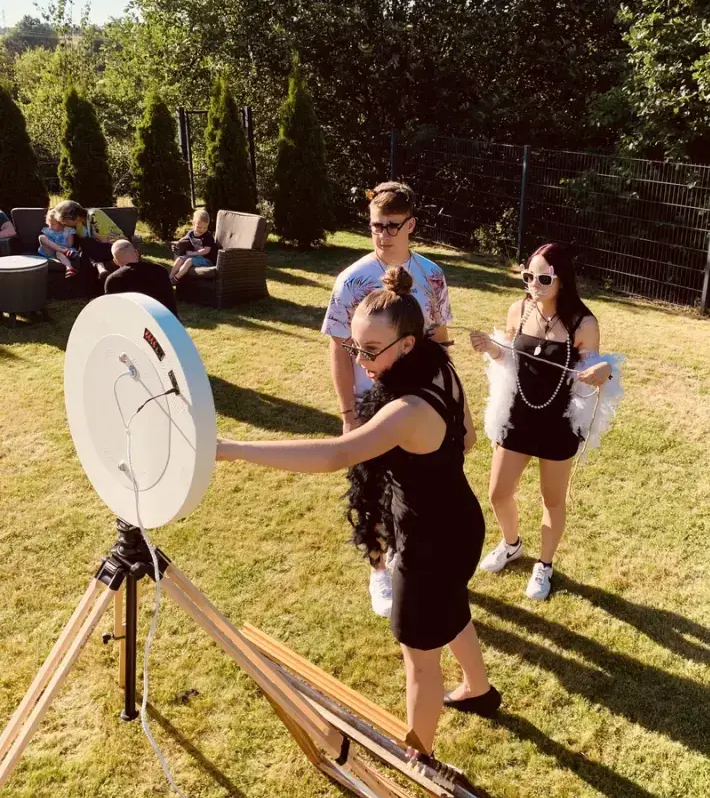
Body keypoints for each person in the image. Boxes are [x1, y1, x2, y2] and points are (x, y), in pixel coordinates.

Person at [218, 267, 498, 754]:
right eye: (355, 348)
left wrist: (231, 448)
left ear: (407, 345)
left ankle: (421, 759)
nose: (361, 361)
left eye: (371, 352)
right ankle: (479, 688)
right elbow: (469, 438)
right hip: (460, 523)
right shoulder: (442, 369)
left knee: (419, 661)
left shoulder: (405, 410)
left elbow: (334, 454)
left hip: (428, 543)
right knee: (451, 610)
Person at [322, 181, 452, 618]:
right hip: (370, 404)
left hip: (419, 404)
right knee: (370, 492)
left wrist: (449, 400)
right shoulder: (352, 280)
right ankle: (378, 568)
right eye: (376, 226)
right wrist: (347, 416)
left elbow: (440, 338)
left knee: (414, 488)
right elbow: (340, 349)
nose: (383, 235)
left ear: (411, 224)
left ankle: (404, 552)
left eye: (393, 226)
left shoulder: (432, 275)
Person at [470, 243, 611, 601]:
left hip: (557, 423)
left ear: (562, 280)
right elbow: (511, 359)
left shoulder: (583, 322)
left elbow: (592, 370)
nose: (534, 283)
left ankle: (544, 565)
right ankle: (512, 544)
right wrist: (491, 348)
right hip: (519, 416)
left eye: (543, 278)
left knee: (552, 500)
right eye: (528, 276)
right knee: (498, 492)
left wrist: (603, 371)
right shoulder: (517, 309)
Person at [104, 240, 178, 316]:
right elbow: (170, 303)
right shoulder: (160, 270)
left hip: (133, 324)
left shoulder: (113, 279)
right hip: (164, 321)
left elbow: (112, 312)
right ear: (136, 253)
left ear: (115, 261)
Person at [53, 200, 125, 275]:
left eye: (65, 221)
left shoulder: (94, 214)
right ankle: (98, 276)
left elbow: (104, 239)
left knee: (85, 243)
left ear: (75, 217)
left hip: (116, 247)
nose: (65, 224)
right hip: (97, 250)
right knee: (84, 254)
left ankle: (100, 266)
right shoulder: (79, 225)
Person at [170, 209, 220, 284]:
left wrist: (192, 253)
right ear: (193, 223)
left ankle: (176, 278)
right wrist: (176, 245)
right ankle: (170, 277)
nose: (202, 230)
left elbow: (206, 250)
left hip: (207, 260)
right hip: (196, 257)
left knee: (189, 261)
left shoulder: (208, 236)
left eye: (205, 228)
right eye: (199, 227)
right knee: (180, 259)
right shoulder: (190, 234)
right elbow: (182, 240)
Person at [37, 208, 78, 277]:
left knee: (59, 253)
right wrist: (57, 247)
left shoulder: (69, 231)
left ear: (61, 223)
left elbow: (69, 245)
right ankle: (61, 251)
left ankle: (69, 268)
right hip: (50, 251)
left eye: (53, 224)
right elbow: (45, 242)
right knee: (41, 237)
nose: (50, 226)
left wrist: (60, 248)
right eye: (49, 224)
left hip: (64, 252)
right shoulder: (47, 230)